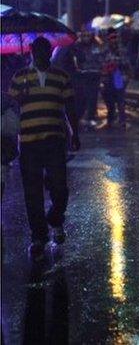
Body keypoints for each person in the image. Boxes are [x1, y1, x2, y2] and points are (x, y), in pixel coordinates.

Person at [9, 37, 80, 261]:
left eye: (46, 51)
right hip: (29, 143)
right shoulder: (19, 78)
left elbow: (70, 106)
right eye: (38, 51)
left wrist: (74, 133)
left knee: (60, 187)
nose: (42, 55)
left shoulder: (61, 78)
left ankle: (55, 218)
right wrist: (20, 97)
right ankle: (38, 237)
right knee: (32, 192)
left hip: (54, 140)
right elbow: (10, 108)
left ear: (50, 52)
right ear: (31, 51)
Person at [101, 33, 130, 128]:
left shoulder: (122, 51)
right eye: (111, 39)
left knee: (120, 100)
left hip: (118, 77)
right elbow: (101, 63)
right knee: (109, 100)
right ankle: (110, 120)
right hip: (108, 78)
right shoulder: (105, 51)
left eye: (115, 38)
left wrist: (116, 64)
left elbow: (126, 63)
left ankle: (122, 120)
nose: (113, 41)